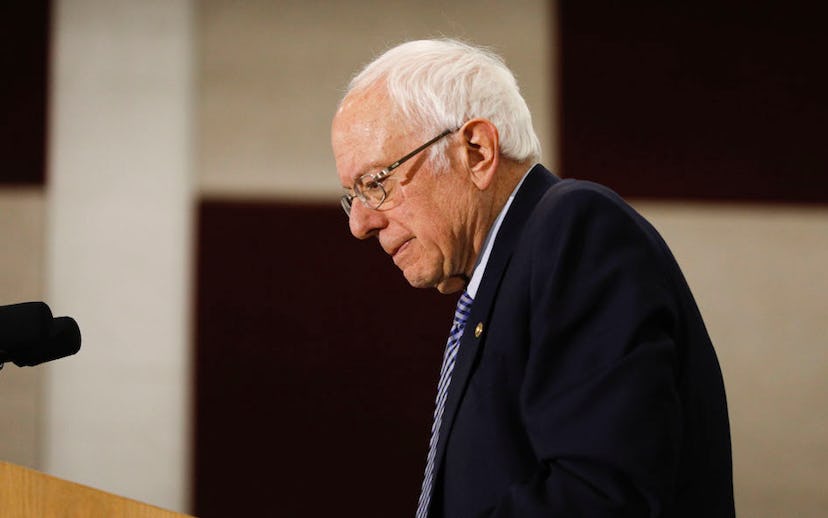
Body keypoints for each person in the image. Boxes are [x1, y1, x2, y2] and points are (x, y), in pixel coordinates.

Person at [331, 39, 734, 517]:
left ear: (477, 151)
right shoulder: (503, 275)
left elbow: (600, 494)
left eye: (375, 183)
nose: (360, 224)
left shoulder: (575, 230)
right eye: (352, 196)